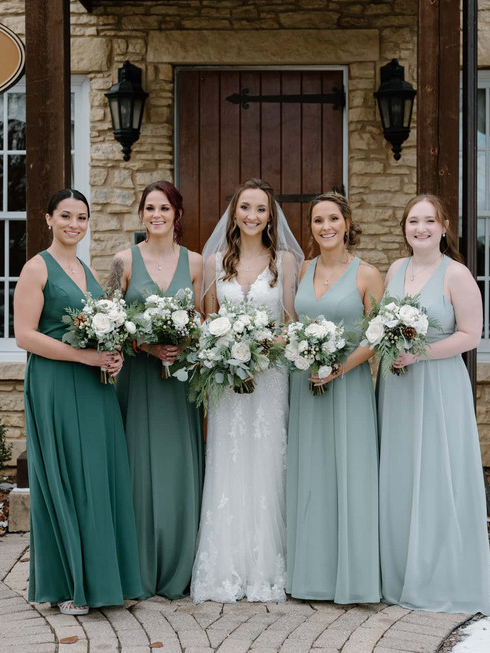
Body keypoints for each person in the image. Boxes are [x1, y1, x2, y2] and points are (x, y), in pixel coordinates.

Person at [14, 189, 143, 615]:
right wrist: (84, 356)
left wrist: (113, 354)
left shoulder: (87, 271)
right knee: (68, 475)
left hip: (93, 386)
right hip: (55, 382)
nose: (74, 224)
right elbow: (25, 336)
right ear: (48, 218)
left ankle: (105, 580)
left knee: (99, 476)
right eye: (66, 215)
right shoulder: (37, 268)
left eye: (82, 217)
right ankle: (70, 584)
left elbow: (101, 329)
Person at [377, 194, 490, 615]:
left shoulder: (456, 274)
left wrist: (421, 354)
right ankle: (398, 573)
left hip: (439, 384)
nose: (420, 228)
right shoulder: (395, 269)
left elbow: (471, 335)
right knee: (401, 474)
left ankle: (440, 576)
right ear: (404, 227)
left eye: (429, 221)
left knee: (437, 474)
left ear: (444, 227)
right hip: (397, 387)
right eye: (413, 221)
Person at [191, 178, 303, 603]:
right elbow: (207, 321)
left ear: (270, 216)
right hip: (227, 384)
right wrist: (227, 349)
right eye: (245, 208)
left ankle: (267, 570)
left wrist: (261, 346)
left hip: (271, 379)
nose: (252, 216)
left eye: (261, 209)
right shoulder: (214, 261)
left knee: (269, 463)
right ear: (234, 213)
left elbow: (292, 323)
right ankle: (224, 570)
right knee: (229, 463)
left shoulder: (287, 262)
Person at [286, 192, 385, 604]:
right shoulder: (303, 268)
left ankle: (353, 579)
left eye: (332, 219)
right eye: (317, 221)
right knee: (310, 475)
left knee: (350, 474)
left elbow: (377, 335)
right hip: (306, 383)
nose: (325, 227)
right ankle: (309, 576)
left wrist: (339, 368)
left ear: (347, 223)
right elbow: (292, 323)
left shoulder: (367, 274)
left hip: (348, 387)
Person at [108, 181, 204, 600]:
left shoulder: (198, 263)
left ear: (177, 215)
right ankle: (140, 568)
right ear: (141, 214)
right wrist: (145, 344)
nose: (156, 215)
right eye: (149, 208)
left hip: (179, 384)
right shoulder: (123, 261)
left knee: (179, 467)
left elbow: (206, 321)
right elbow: (108, 323)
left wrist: (184, 343)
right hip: (140, 380)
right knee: (138, 467)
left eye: (164, 207)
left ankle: (179, 568)